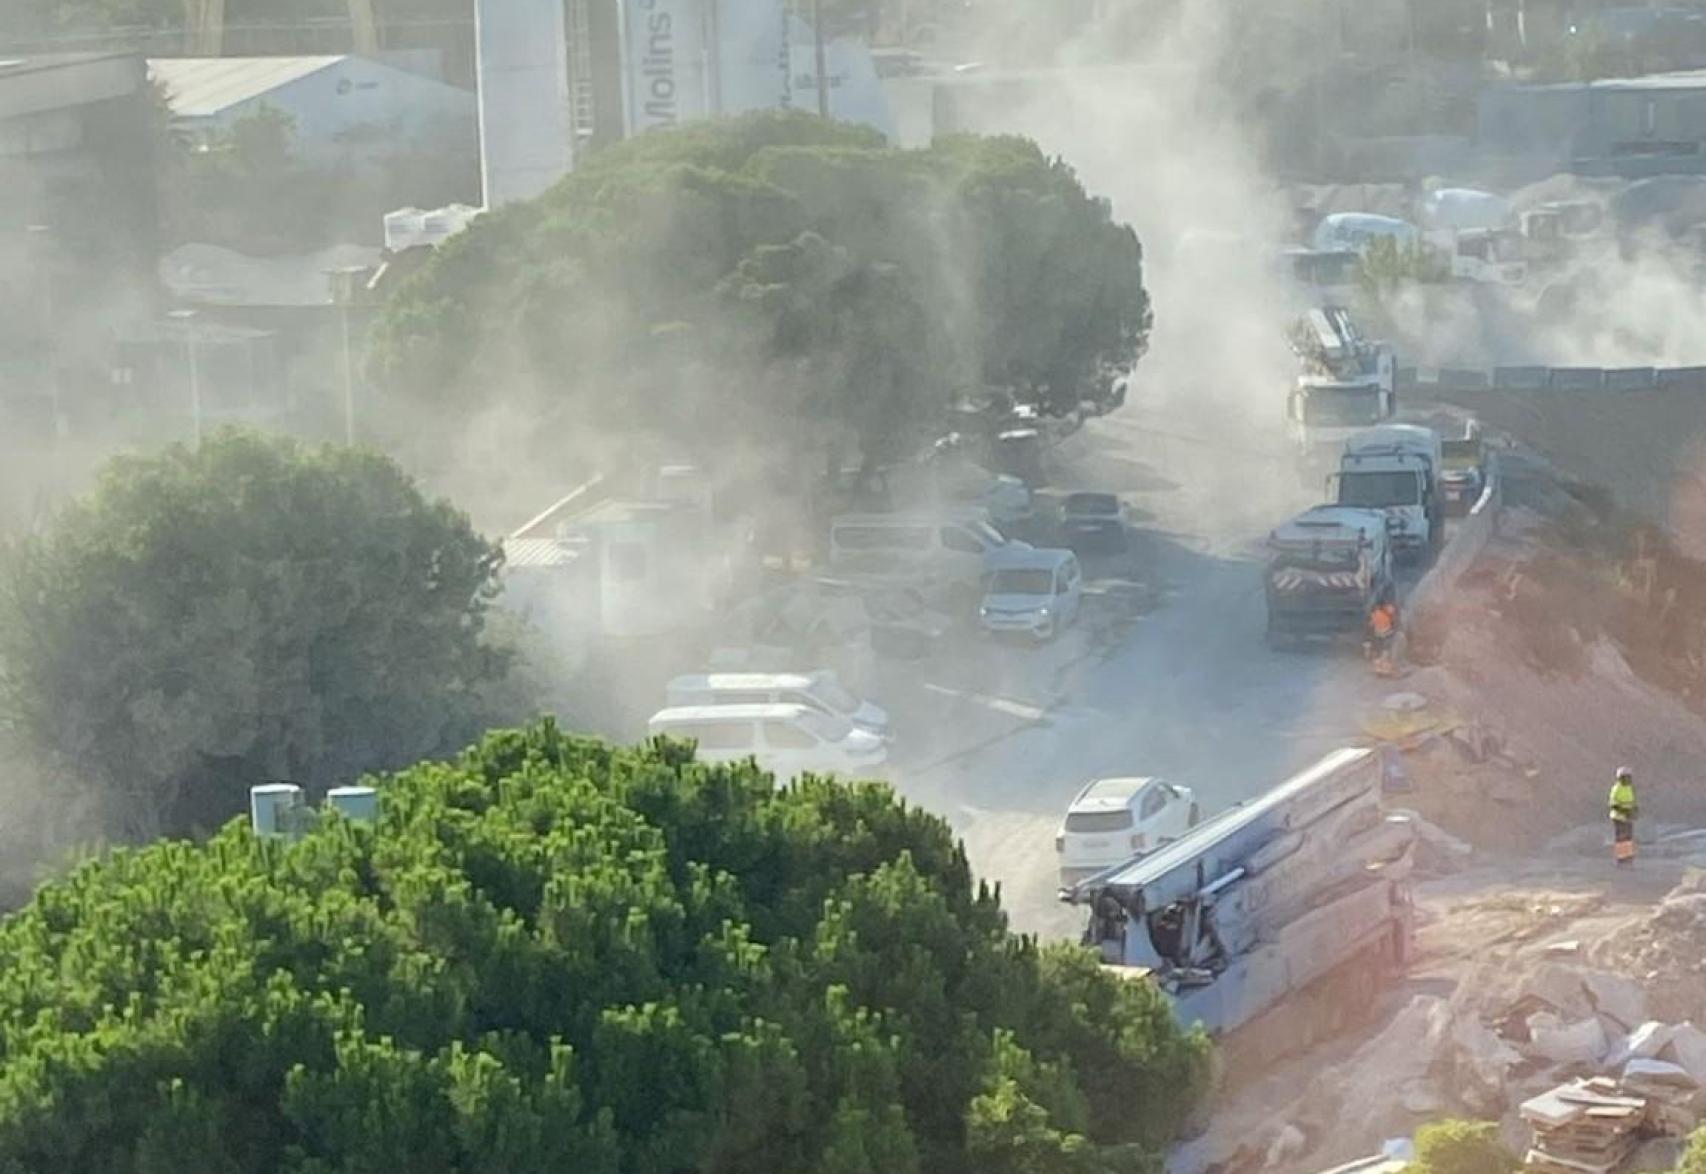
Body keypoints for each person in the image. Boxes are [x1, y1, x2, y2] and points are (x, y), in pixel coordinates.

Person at [1608, 767, 1638, 867]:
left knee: (1628, 838)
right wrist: (1624, 812)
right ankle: (1621, 859)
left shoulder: (1629, 788)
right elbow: (1613, 804)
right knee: (1621, 839)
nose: (1628, 780)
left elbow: (1632, 802)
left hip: (1628, 817)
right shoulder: (1617, 789)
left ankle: (1628, 858)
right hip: (1619, 817)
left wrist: (1634, 810)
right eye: (1626, 777)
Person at [1366, 598, 1399, 670]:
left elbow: (1371, 624)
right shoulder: (1386, 612)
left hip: (1378, 633)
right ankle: (1385, 666)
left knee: (1380, 649)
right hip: (1387, 633)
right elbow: (1393, 620)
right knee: (1386, 649)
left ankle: (1379, 666)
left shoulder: (1374, 614)